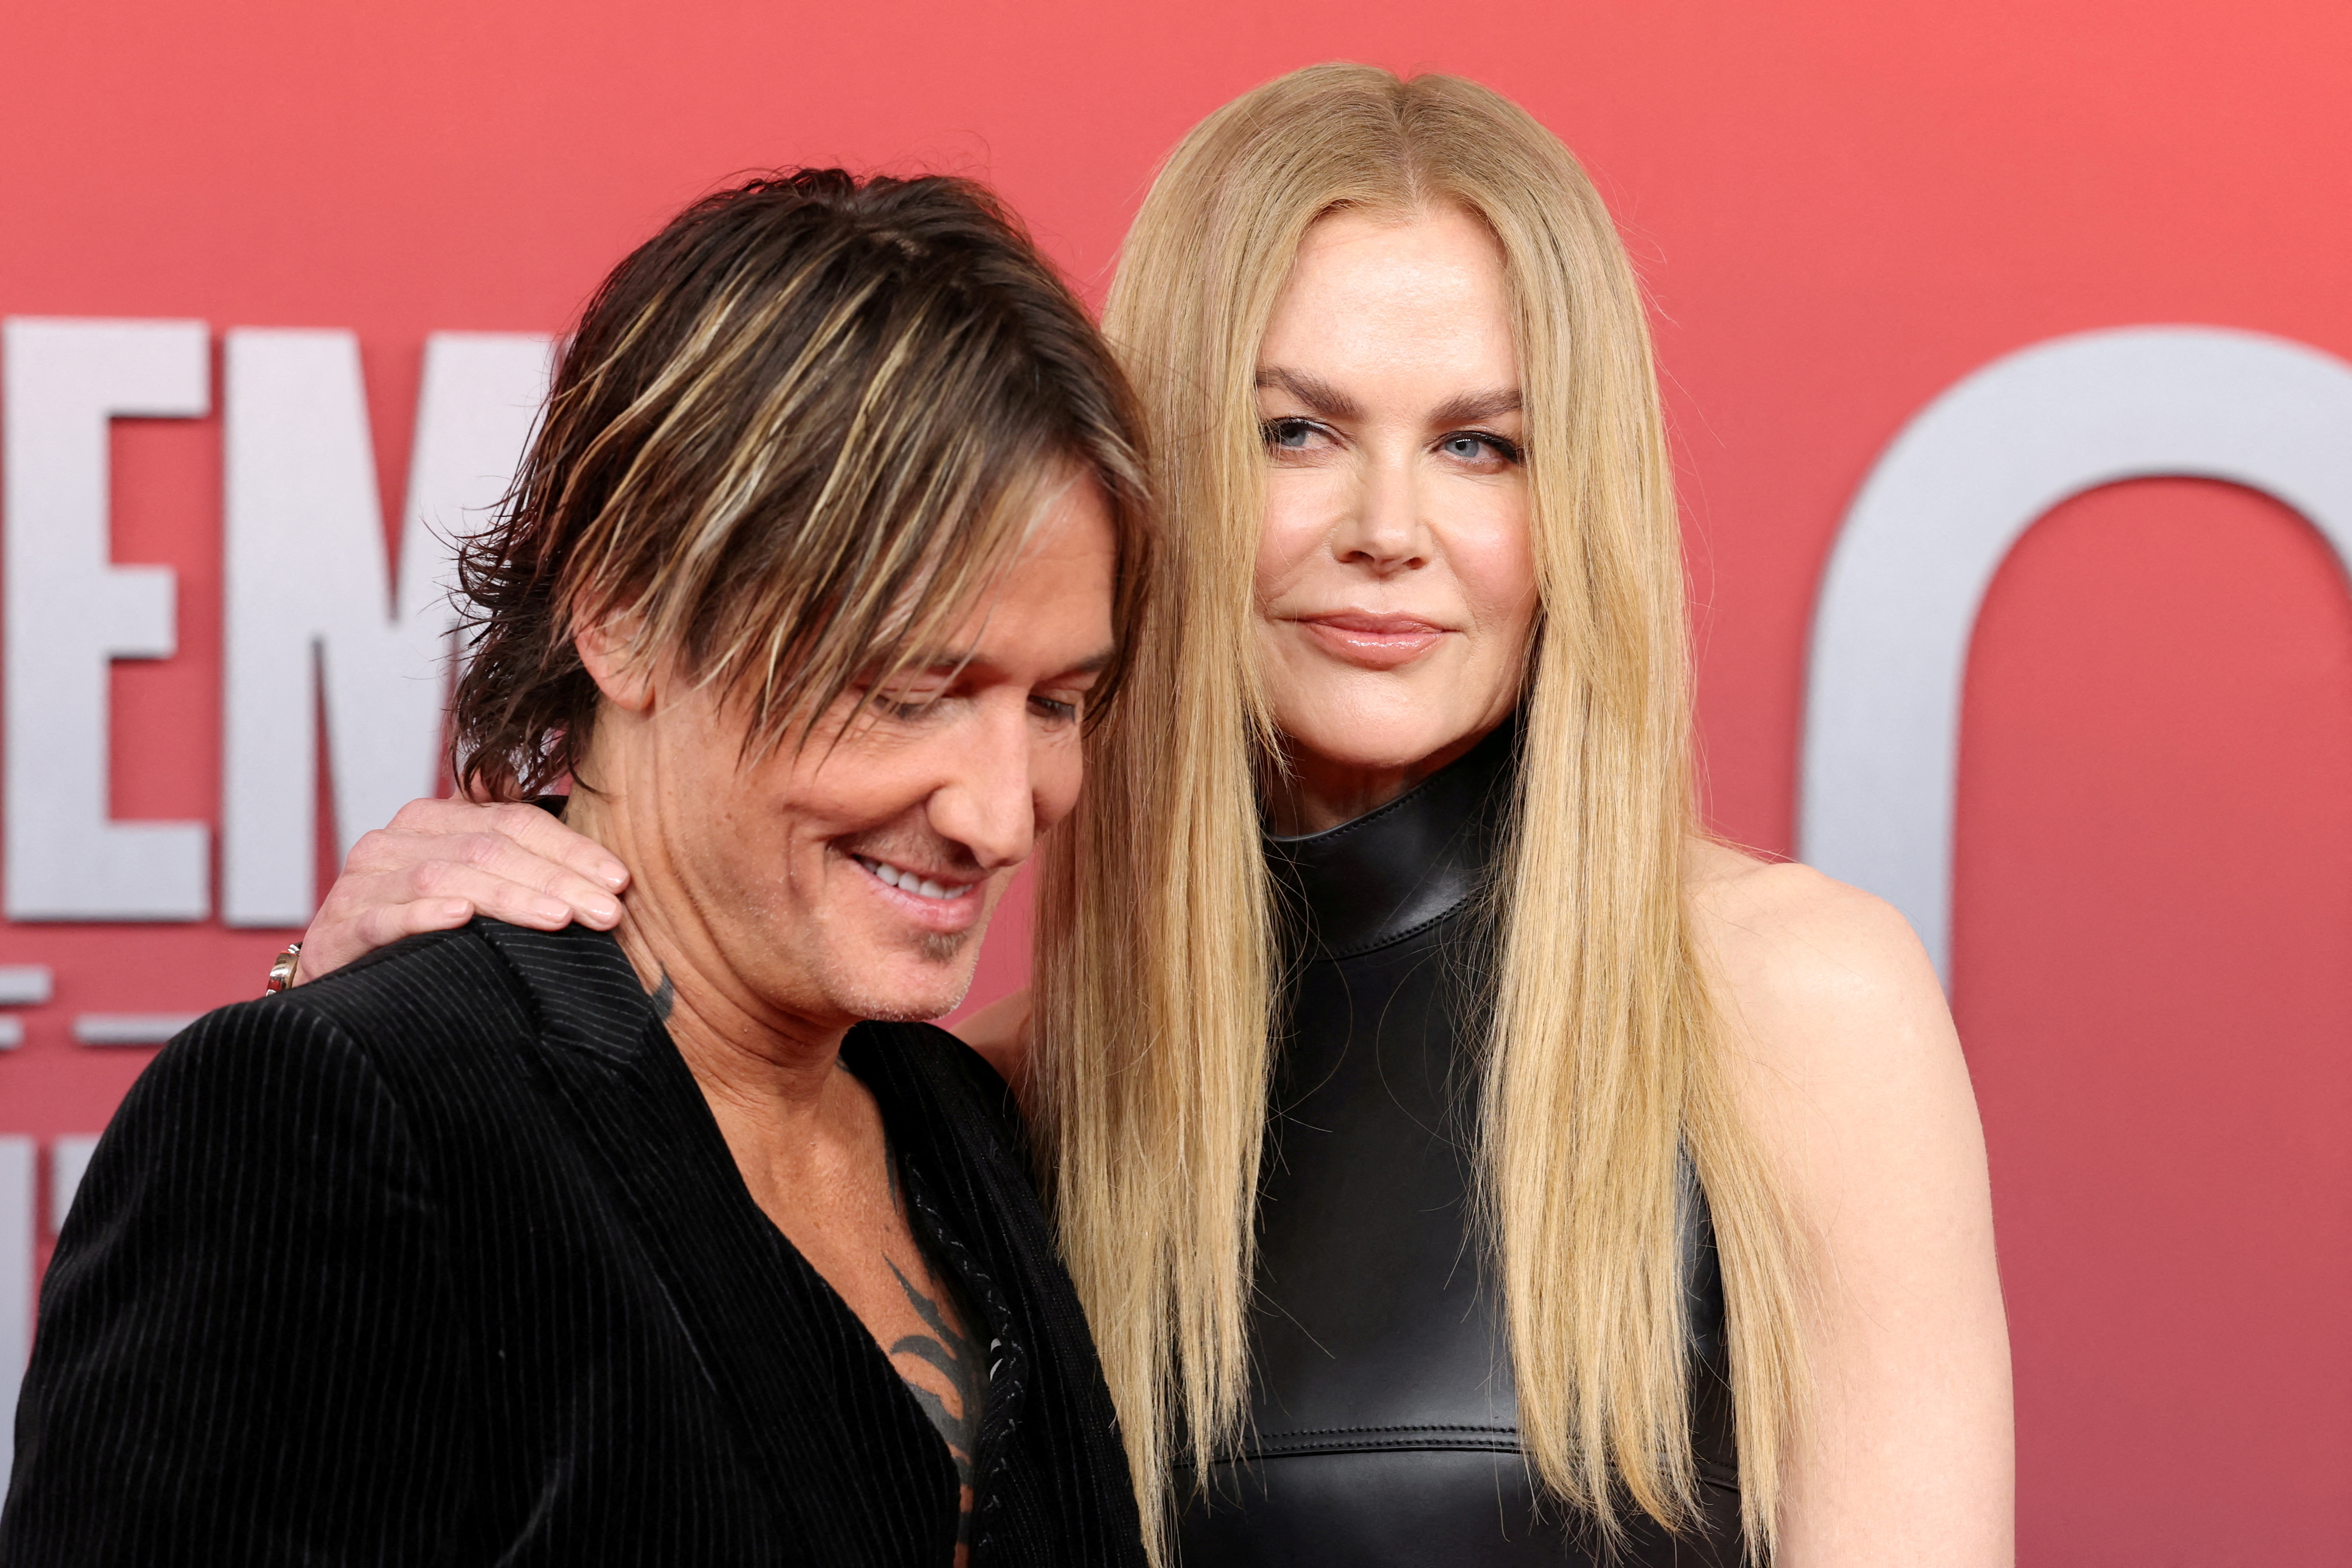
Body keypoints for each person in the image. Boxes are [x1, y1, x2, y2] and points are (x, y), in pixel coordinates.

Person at [293, 67, 2012, 1566]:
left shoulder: (1794, 1006)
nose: (1389, 527)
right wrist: (382, 989)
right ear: (1157, 471)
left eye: (1482, 445)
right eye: (1297, 431)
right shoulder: (995, 1095)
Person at [0, 170, 1154, 1566]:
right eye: (908, 690)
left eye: (1053, 704)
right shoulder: (341, 1117)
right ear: (624, 609)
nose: (998, 813)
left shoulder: (958, 1123)